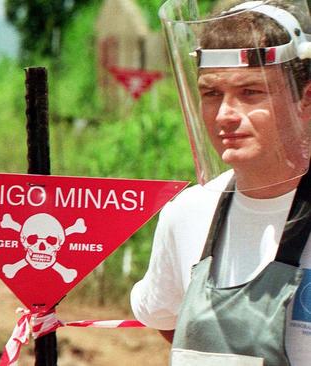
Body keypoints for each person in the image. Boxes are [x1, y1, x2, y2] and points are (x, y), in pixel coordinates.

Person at [131, 0, 311, 365]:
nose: (226, 115)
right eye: (212, 94)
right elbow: (171, 323)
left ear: (305, 99)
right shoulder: (187, 214)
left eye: (250, 93)